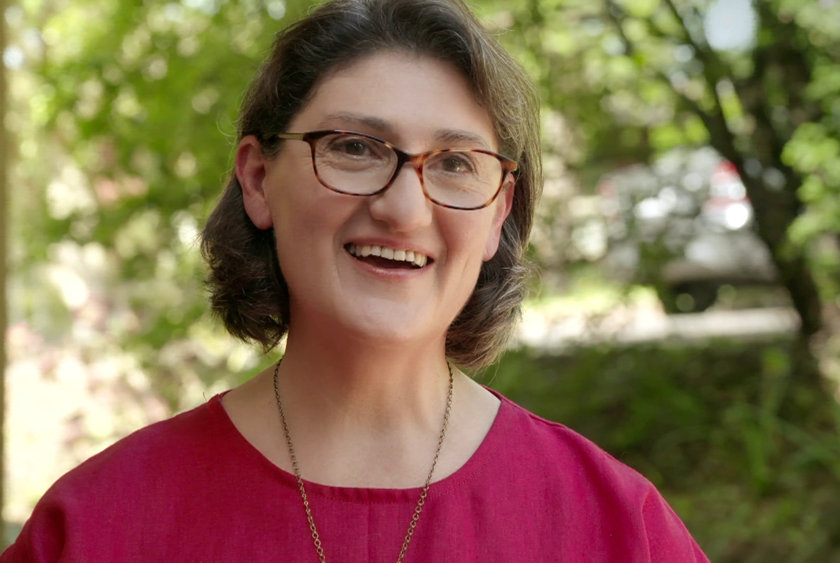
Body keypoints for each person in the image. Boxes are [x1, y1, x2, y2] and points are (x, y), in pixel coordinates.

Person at [4, 0, 708, 560]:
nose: (404, 209)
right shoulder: (98, 527)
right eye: (353, 147)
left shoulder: (619, 527)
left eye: (456, 163)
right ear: (259, 179)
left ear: (499, 211)